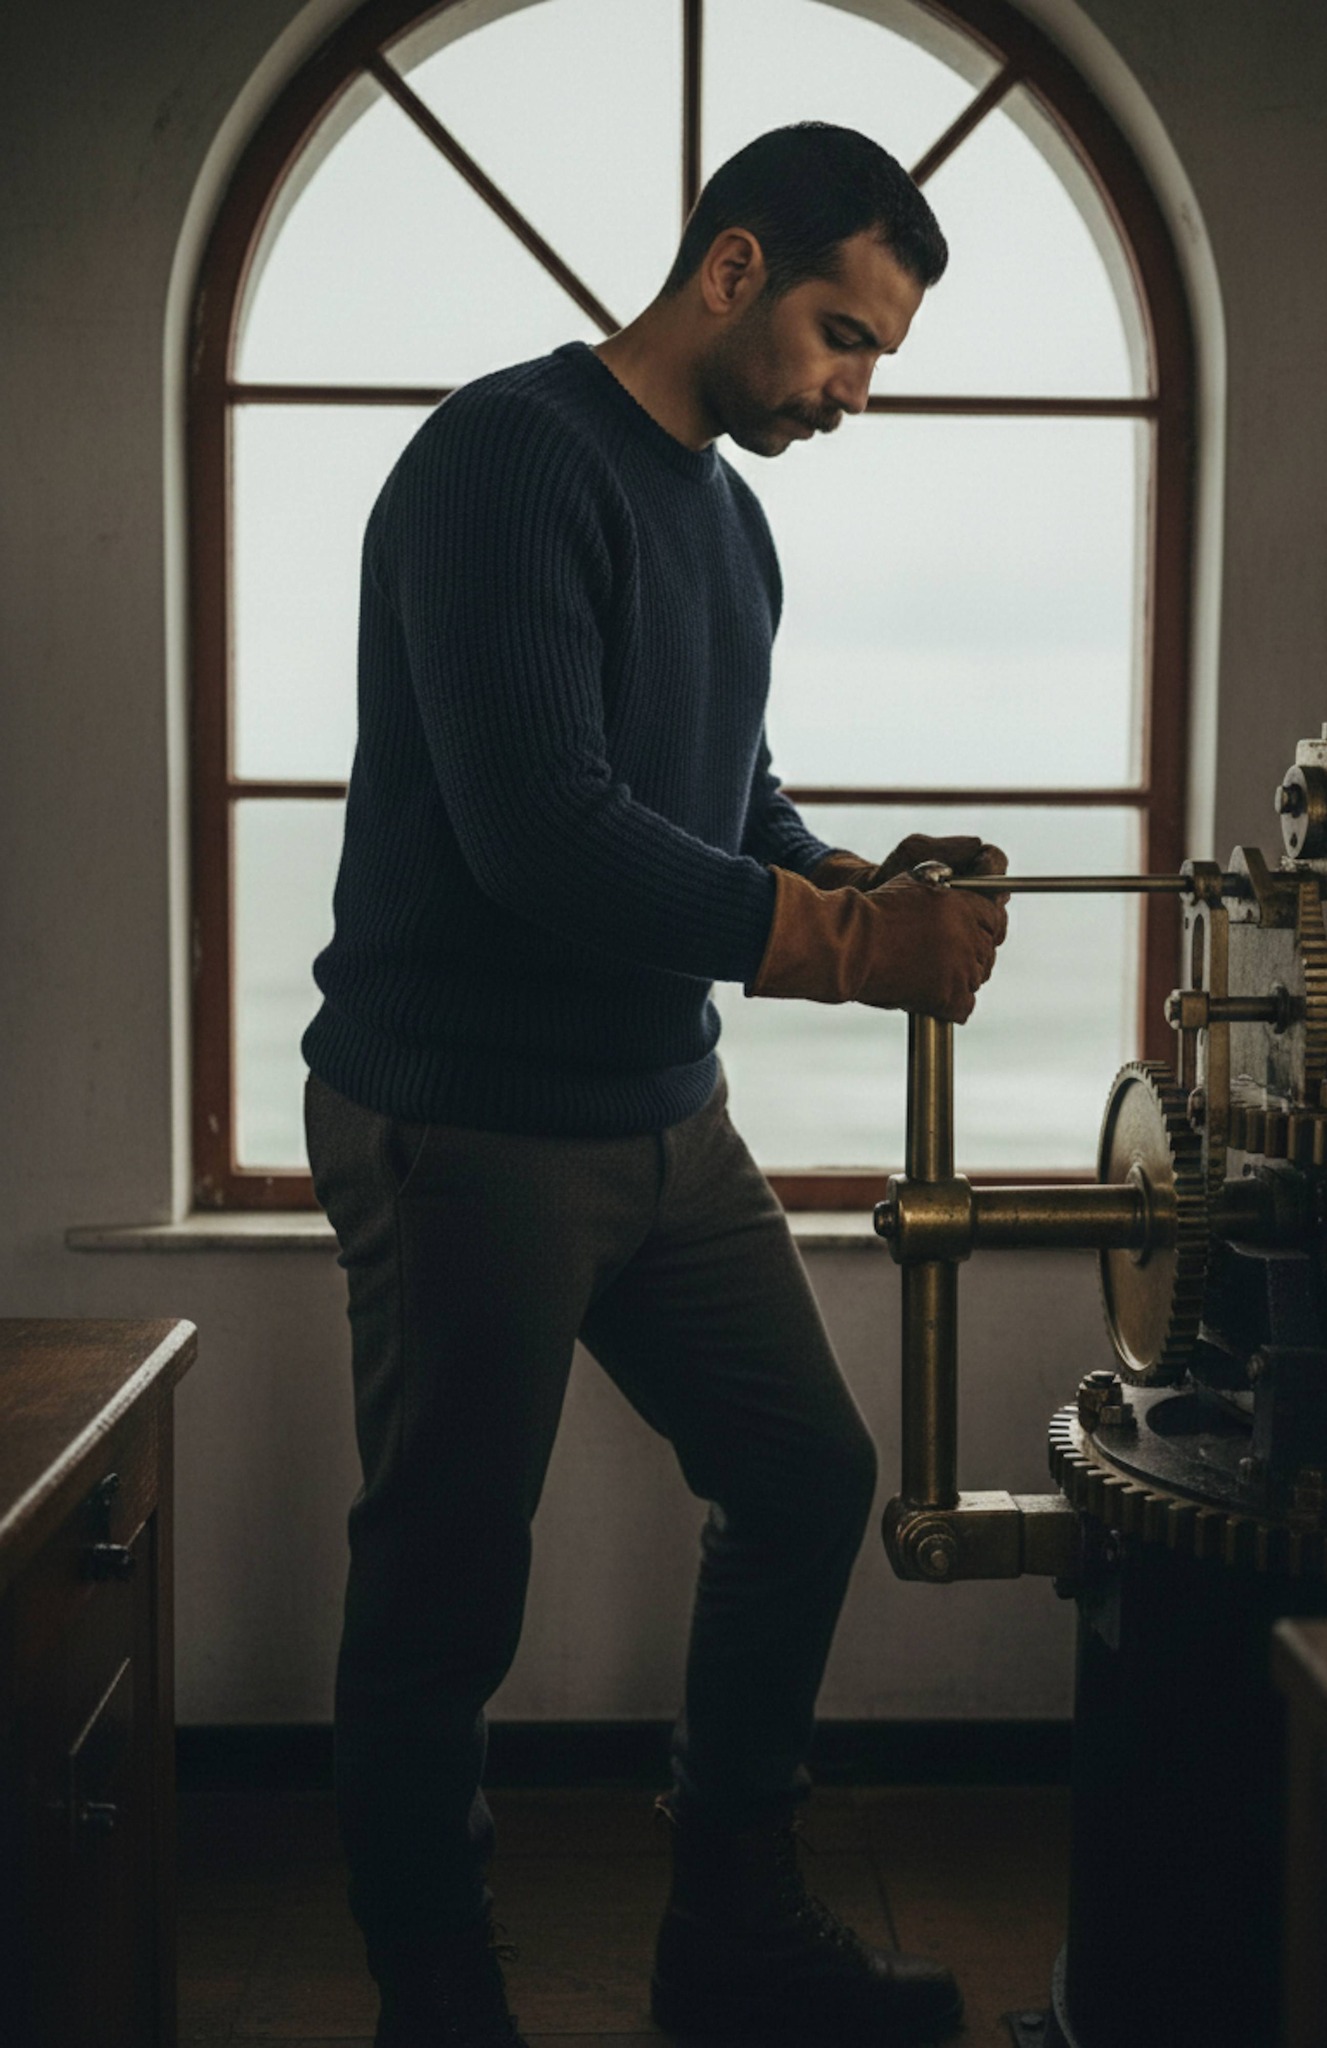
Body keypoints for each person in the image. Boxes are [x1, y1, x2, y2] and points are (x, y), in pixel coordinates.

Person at [303, 121, 1008, 2048]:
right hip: (462, 1117)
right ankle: (437, 2006)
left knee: (806, 1473)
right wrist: (852, 953)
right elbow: (545, 832)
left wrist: (854, 874)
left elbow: (717, 802)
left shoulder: (730, 513)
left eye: (876, 355)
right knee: (445, 1590)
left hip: (657, 1116)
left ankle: (728, 1945)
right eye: (841, 336)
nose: (854, 390)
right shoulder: (503, 464)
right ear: (731, 270)